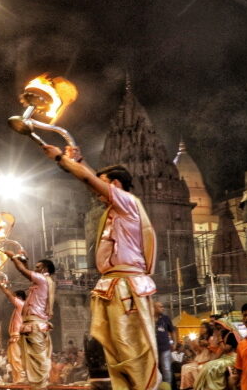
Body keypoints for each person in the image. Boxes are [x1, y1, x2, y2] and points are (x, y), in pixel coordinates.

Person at [42, 144, 159, 390]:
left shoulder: (127, 202)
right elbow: (91, 179)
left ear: (115, 185)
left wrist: (62, 160)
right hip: (113, 285)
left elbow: (89, 179)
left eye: (103, 185)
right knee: (115, 346)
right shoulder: (114, 210)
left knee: (129, 345)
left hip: (126, 286)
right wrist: (81, 161)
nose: (96, 192)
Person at [3, 252, 56, 390]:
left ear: (44, 270)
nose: (35, 269)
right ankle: (37, 386)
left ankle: (41, 386)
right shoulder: (41, 281)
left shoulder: (43, 280)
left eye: (38, 267)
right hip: (32, 325)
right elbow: (28, 271)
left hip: (35, 325)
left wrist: (12, 256)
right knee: (31, 360)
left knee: (38, 360)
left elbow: (22, 271)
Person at [0, 276, 27, 383]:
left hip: (17, 337)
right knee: (12, 360)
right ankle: (17, 380)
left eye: (15, 297)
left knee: (16, 360)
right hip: (15, 337)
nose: (12, 300)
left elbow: (8, 295)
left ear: (19, 298)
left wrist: (0, 285)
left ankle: (20, 380)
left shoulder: (21, 304)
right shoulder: (19, 307)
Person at [154, 301, 178, 387]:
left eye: (162, 306)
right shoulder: (149, 318)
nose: (162, 308)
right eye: (160, 307)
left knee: (166, 369)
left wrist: (174, 343)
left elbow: (172, 331)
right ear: (154, 308)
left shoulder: (165, 318)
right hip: (153, 349)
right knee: (154, 369)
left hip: (165, 347)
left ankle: (168, 387)